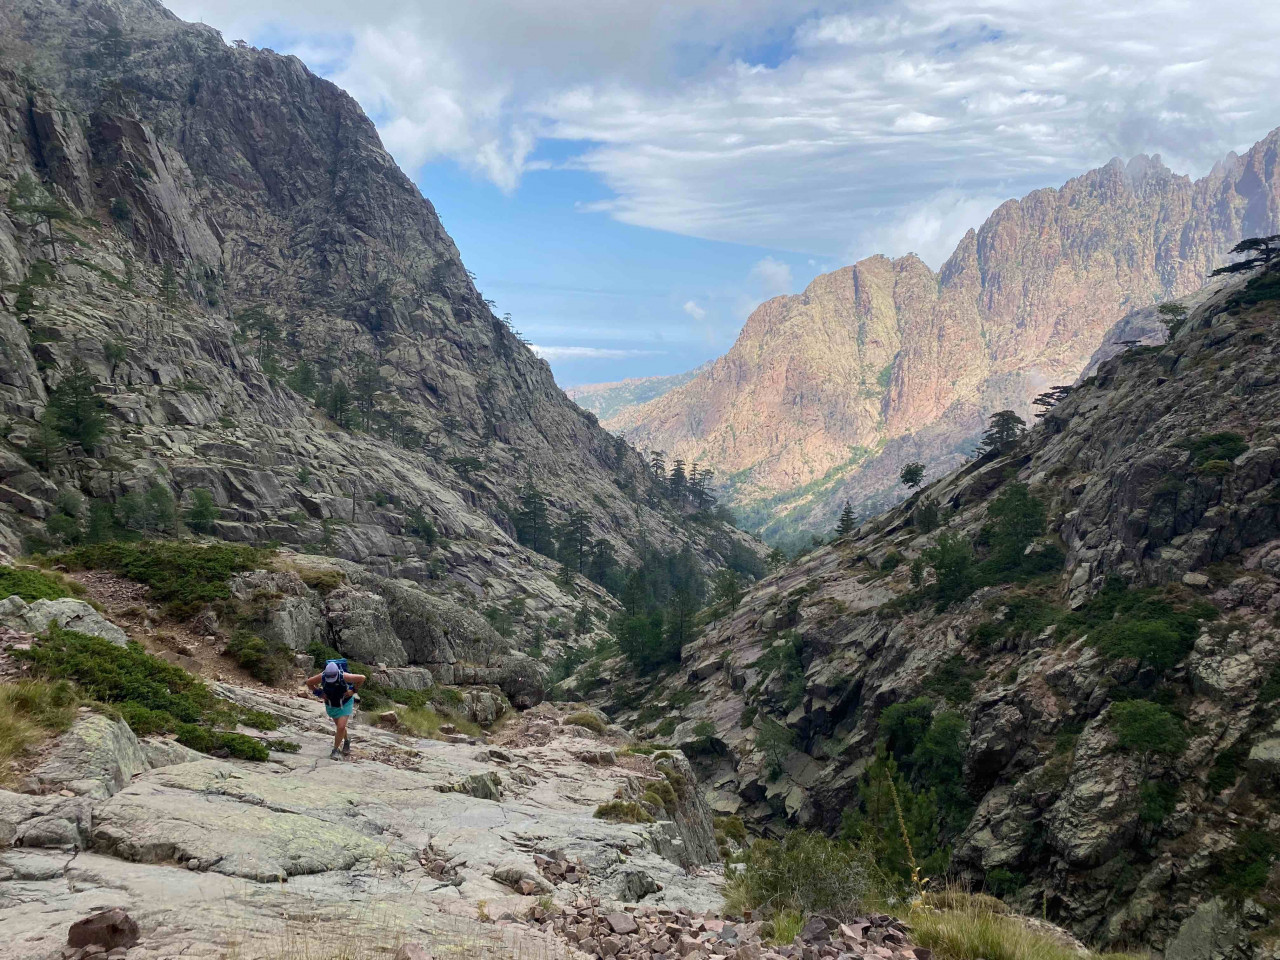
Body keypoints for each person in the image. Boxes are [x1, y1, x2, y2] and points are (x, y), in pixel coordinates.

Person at [306, 661, 366, 760]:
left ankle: (335, 750)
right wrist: (318, 693)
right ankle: (347, 740)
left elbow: (362, 678)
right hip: (331, 704)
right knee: (340, 726)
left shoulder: (344, 676)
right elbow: (309, 683)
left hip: (345, 703)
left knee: (341, 726)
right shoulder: (322, 676)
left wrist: (353, 691)